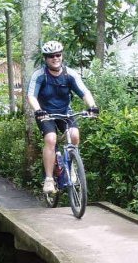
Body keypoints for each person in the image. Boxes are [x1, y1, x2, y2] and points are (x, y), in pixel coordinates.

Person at [27, 40, 99, 193]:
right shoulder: (39, 75)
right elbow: (31, 96)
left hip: (65, 112)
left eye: (58, 55)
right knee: (51, 139)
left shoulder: (70, 74)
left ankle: (71, 166)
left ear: (62, 56)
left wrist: (92, 106)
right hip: (46, 114)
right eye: (51, 56)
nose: (55, 58)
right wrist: (38, 110)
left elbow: (84, 92)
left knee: (74, 135)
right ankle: (48, 179)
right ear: (45, 58)